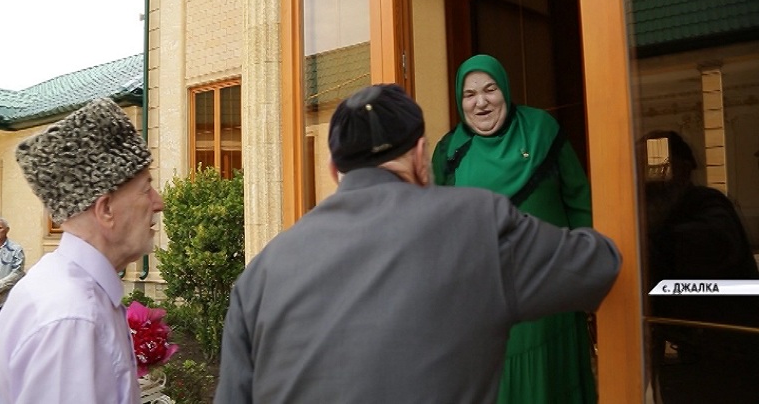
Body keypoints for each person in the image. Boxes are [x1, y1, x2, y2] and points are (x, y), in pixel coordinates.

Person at [214, 83, 621, 403]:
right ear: (422, 156)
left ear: (334, 170)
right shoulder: (477, 224)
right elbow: (598, 266)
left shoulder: (260, 275)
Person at [432, 54, 597, 403]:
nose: (480, 102)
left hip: (551, 289)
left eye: (490, 89)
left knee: (553, 383)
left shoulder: (541, 130)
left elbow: (579, 199)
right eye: (469, 94)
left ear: (504, 90)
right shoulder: (449, 152)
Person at [0, 98, 164, 404]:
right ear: (106, 210)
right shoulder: (74, 319)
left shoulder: (69, 295)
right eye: (146, 188)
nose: (159, 202)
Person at [642, 130, 759, 403]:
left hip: (727, 353)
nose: (648, 179)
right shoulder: (666, 210)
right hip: (692, 353)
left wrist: (647, 240)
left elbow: (714, 251)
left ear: (682, 169)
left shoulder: (707, 202)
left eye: (656, 169)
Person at [0, 217, 24, 314]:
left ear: (7, 230)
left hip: (6, 300)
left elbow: (17, 273)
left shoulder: (15, 249)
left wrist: (0, 286)